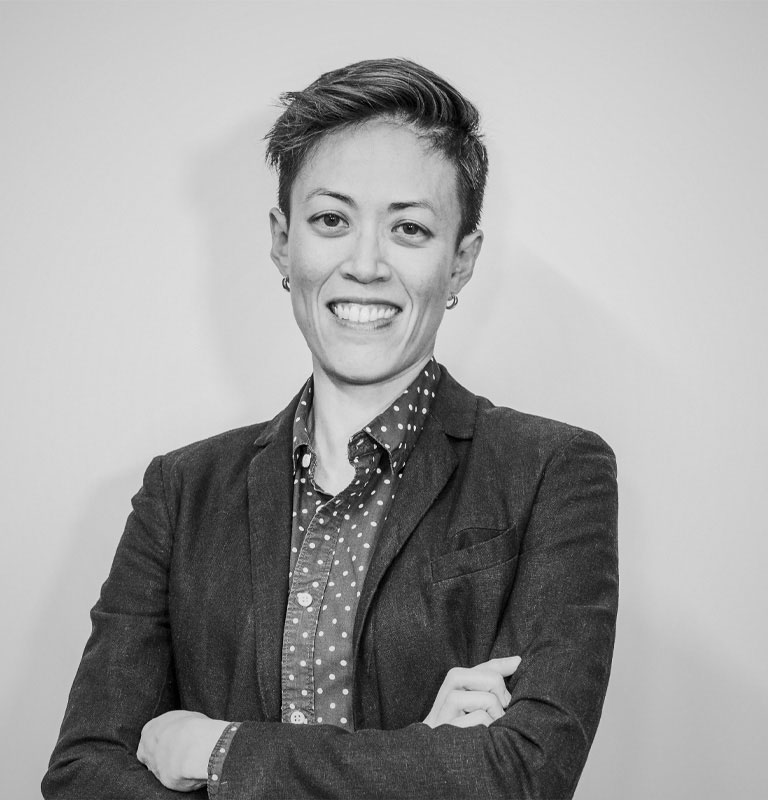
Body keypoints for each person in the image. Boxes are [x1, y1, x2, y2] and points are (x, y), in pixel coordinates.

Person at [42, 58, 618, 800]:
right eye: (331, 221)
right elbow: (83, 775)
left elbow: (524, 775)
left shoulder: (554, 473)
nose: (366, 263)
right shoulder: (180, 493)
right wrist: (419, 760)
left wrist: (221, 750)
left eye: (410, 228)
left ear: (462, 261)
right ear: (284, 241)